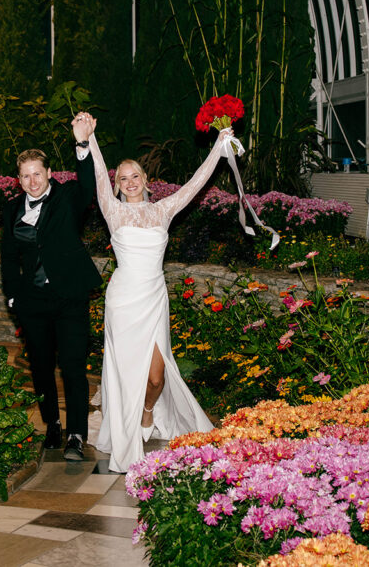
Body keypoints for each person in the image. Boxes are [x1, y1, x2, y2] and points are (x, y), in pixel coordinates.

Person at [81, 112, 230, 473]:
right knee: (125, 371)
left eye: (135, 176)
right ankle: (126, 431)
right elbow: (99, 174)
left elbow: (196, 183)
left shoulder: (162, 210)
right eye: (123, 178)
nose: (129, 182)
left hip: (153, 298)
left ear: (146, 180)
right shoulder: (112, 210)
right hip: (122, 301)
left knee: (155, 377)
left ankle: (147, 411)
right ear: (118, 185)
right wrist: (89, 139)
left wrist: (219, 147)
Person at [0, 118, 102, 461]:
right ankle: (52, 425)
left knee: (72, 366)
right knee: (41, 368)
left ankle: (76, 434)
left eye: (38, 174)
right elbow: (8, 257)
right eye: (26, 176)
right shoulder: (12, 209)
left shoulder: (68, 198)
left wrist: (82, 144)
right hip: (32, 301)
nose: (32, 181)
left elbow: (88, 185)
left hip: (69, 296)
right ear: (19, 179)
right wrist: (14, 296)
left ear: (48, 173)